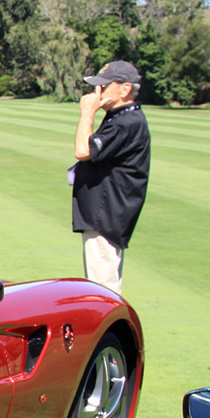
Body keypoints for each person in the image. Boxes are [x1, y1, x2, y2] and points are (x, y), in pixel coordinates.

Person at [71, 61, 149, 295]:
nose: (97, 93)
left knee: (101, 290)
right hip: (106, 214)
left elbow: (83, 150)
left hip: (106, 216)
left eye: (104, 87)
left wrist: (87, 113)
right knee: (103, 284)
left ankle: (109, 332)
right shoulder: (121, 117)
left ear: (125, 90)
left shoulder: (126, 123)